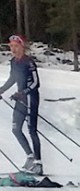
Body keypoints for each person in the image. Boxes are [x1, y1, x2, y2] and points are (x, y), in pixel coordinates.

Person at [0, 34, 41, 175]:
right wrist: (1, 90)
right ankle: (30, 156)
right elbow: (12, 79)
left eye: (16, 46)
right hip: (20, 99)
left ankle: (38, 163)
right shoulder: (14, 62)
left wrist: (24, 92)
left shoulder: (29, 62)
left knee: (32, 130)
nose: (13, 49)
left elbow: (36, 83)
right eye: (11, 46)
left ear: (22, 47)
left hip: (30, 98)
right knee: (16, 129)